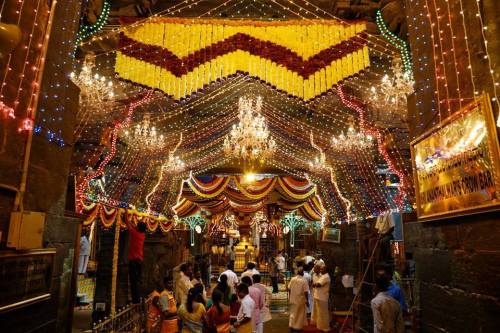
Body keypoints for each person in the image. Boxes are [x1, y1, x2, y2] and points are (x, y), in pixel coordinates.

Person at [129, 221, 146, 303]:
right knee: (138, 280)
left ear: (138, 228)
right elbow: (132, 225)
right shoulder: (142, 235)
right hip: (139, 261)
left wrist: (125, 210)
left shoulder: (134, 233)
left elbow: (127, 223)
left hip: (134, 262)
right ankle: (139, 298)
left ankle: (136, 300)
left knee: (134, 281)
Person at [311, 263, 331, 332]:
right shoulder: (323, 276)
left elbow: (318, 284)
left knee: (323, 313)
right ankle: (320, 326)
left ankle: (325, 327)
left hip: (322, 297)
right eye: (321, 269)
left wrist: (314, 284)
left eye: (322, 269)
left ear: (326, 270)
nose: (320, 270)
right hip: (318, 296)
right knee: (319, 313)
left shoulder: (326, 276)